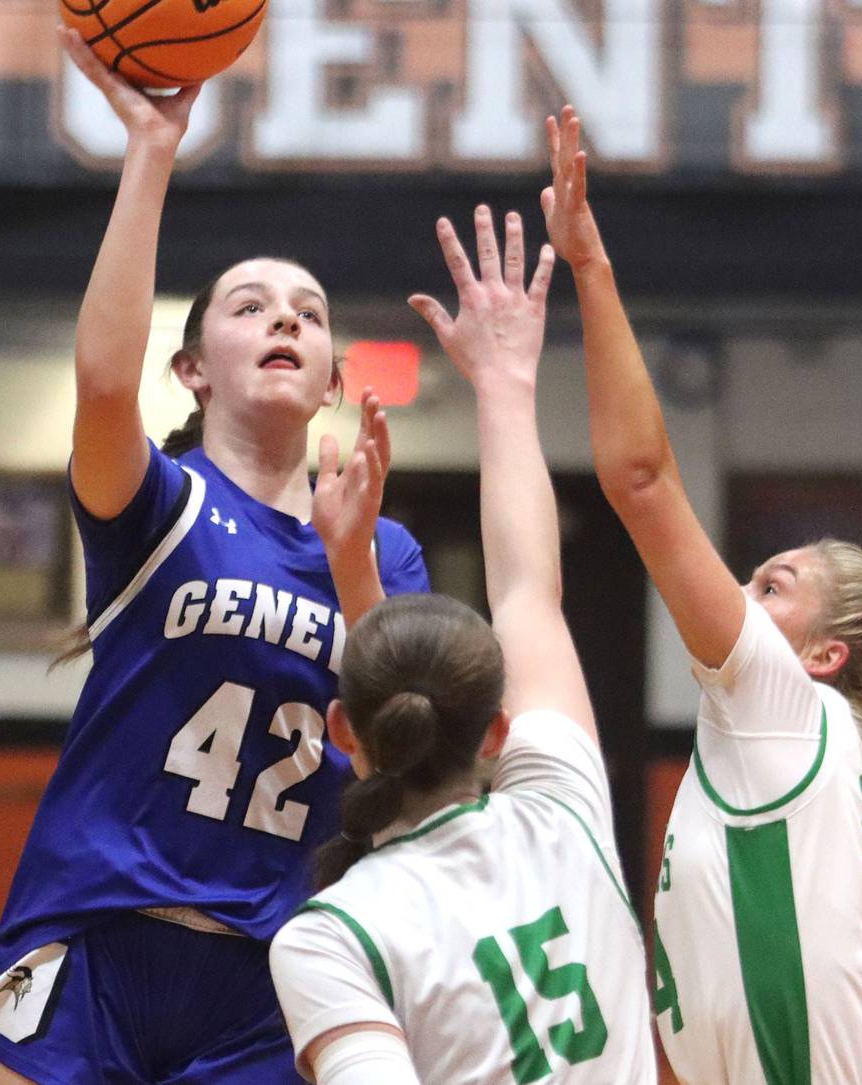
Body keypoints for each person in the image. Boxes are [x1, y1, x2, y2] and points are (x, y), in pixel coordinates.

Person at [541, 107, 862, 1083]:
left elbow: (643, 481)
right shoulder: (793, 742)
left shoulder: (783, 705)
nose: (737, 591)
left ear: (824, 654)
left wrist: (590, 265)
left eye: (771, 585)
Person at [0, 31, 428, 1084]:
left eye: (308, 315)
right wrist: (151, 154)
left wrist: (351, 565)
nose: (285, 323)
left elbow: (407, 755)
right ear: (194, 367)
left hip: (276, 965)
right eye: (251, 308)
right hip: (103, 932)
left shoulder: (387, 548)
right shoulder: (157, 506)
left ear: (332, 378)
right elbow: (104, 384)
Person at [268, 205, 659, 1085]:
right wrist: (506, 381)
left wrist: (345, 562)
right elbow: (528, 586)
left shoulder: (332, 933)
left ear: (342, 730)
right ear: (496, 731)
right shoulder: (562, 812)